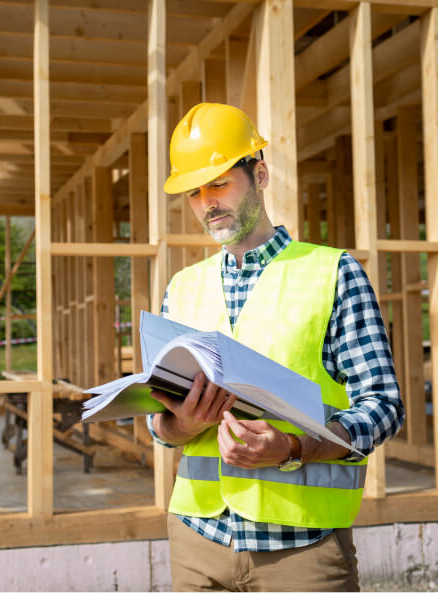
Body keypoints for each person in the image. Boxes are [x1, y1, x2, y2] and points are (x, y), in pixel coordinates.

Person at [147, 102, 404, 592]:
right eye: (195, 192)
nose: (207, 204)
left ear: (259, 175)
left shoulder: (332, 273)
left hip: (302, 549)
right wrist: (183, 423)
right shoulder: (182, 288)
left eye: (219, 183)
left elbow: (383, 407)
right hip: (198, 541)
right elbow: (158, 425)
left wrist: (292, 448)